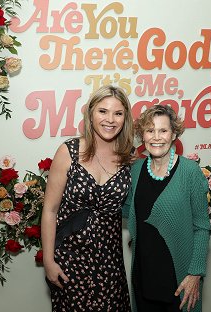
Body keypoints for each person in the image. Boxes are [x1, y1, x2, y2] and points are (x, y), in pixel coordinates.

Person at [41, 85, 134, 311]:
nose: (110, 119)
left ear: (125, 118)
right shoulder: (68, 152)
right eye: (103, 111)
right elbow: (50, 211)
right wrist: (48, 261)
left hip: (110, 264)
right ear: (90, 113)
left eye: (118, 113)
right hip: (70, 261)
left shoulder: (130, 157)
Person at [123, 105, 211, 312]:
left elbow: (201, 227)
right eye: (150, 130)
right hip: (143, 274)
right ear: (142, 135)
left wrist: (194, 273)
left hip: (179, 278)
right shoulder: (135, 171)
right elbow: (127, 211)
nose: (156, 137)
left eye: (163, 130)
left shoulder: (190, 172)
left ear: (173, 134)